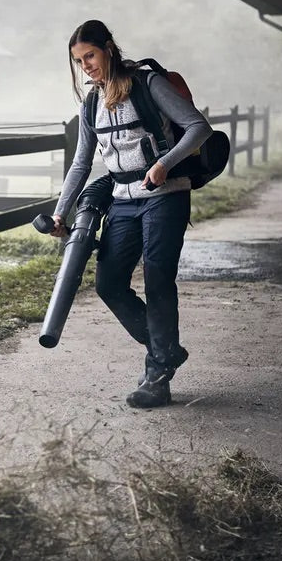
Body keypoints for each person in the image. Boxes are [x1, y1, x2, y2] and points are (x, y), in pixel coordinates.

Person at [50, 20, 213, 408]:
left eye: (89, 55)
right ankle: (166, 350)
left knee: (158, 280)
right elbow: (81, 163)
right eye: (78, 60)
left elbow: (197, 127)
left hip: (165, 194)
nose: (85, 66)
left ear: (108, 48)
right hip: (122, 199)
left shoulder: (147, 84)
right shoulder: (90, 103)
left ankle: (157, 376)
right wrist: (60, 212)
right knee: (108, 283)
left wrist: (165, 164)